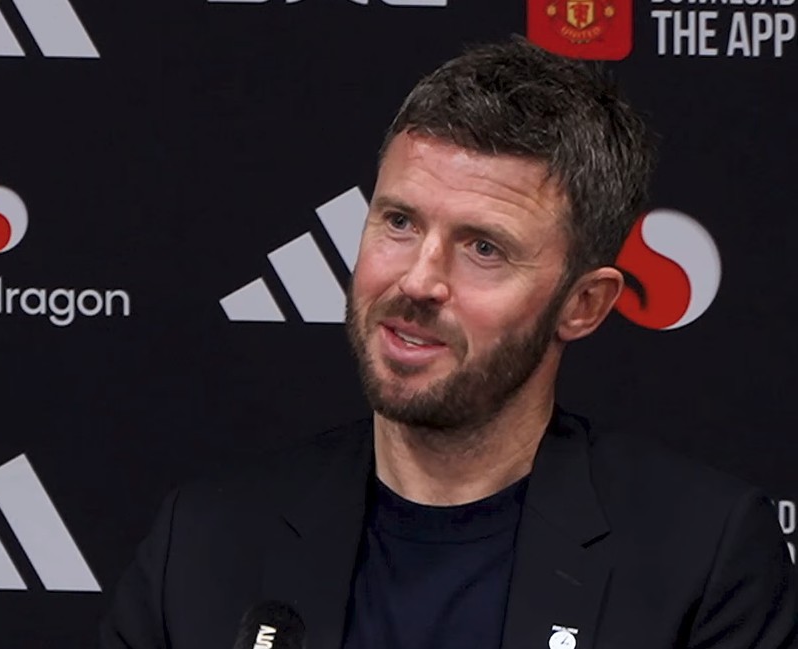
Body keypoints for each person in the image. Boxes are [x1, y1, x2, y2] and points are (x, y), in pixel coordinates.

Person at [100, 38, 798, 649]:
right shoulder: (203, 544)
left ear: (584, 304)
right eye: (399, 222)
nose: (418, 280)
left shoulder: (702, 557)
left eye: (484, 247)